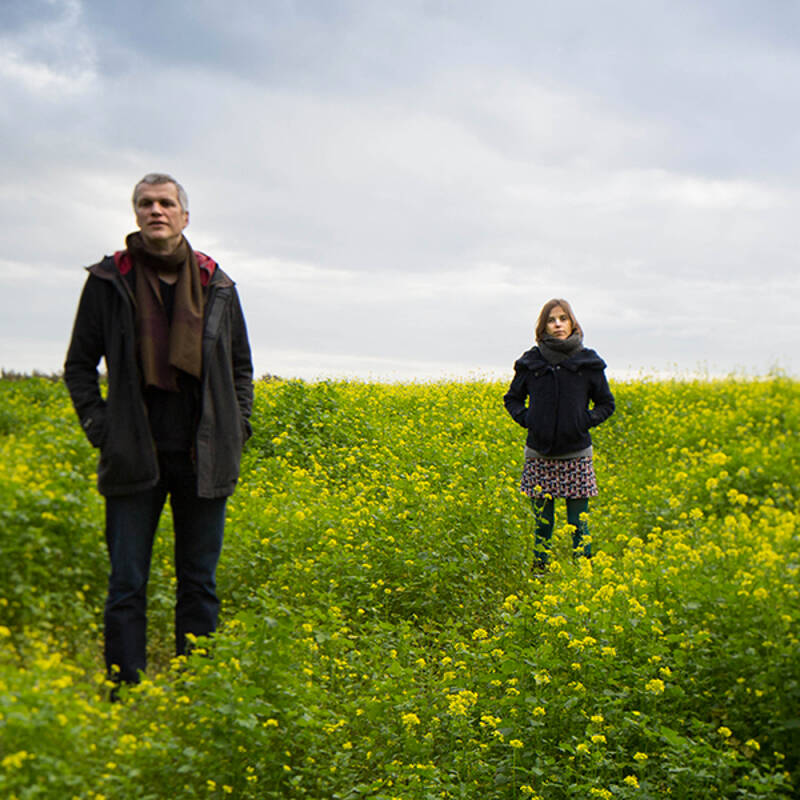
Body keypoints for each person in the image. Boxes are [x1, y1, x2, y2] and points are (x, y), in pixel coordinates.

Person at [64, 173, 253, 688]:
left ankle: (198, 690)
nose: (156, 211)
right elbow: (79, 366)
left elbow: (240, 367)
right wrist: (101, 428)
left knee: (200, 582)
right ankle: (125, 690)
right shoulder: (110, 282)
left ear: (184, 216)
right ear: (136, 215)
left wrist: (239, 426)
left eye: (166, 203)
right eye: (145, 203)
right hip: (133, 454)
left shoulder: (216, 283)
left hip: (201, 456)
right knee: (127, 581)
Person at [503, 298, 614, 571]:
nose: (558, 324)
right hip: (540, 452)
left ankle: (582, 573)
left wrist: (583, 421)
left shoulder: (588, 362)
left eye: (563, 318)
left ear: (572, 322)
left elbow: (606, 404)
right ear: (543, 327)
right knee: (543, 523)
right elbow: (512, 399)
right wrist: (530, 420)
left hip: (576, 451)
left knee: (579, 523)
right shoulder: (530, 362)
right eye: (552, 320)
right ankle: (540, 571)